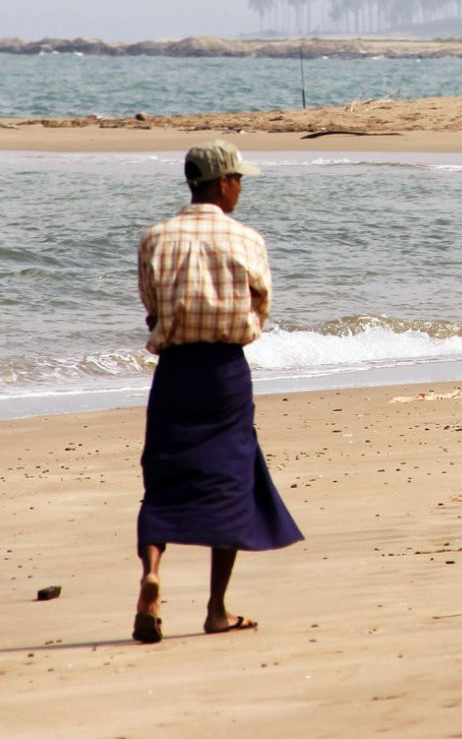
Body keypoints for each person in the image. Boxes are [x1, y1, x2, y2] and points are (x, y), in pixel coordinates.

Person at [132, 141, 303, 643]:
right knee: (230, 479)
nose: (241, 188)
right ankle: (215, 609)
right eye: (238, 180)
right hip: (225, 373)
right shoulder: (246, 239)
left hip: (175, 371)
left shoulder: (155, 238)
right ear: (222, 182)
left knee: (163, 474)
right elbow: (261, 304)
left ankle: (153, 577)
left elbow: (150, 305)